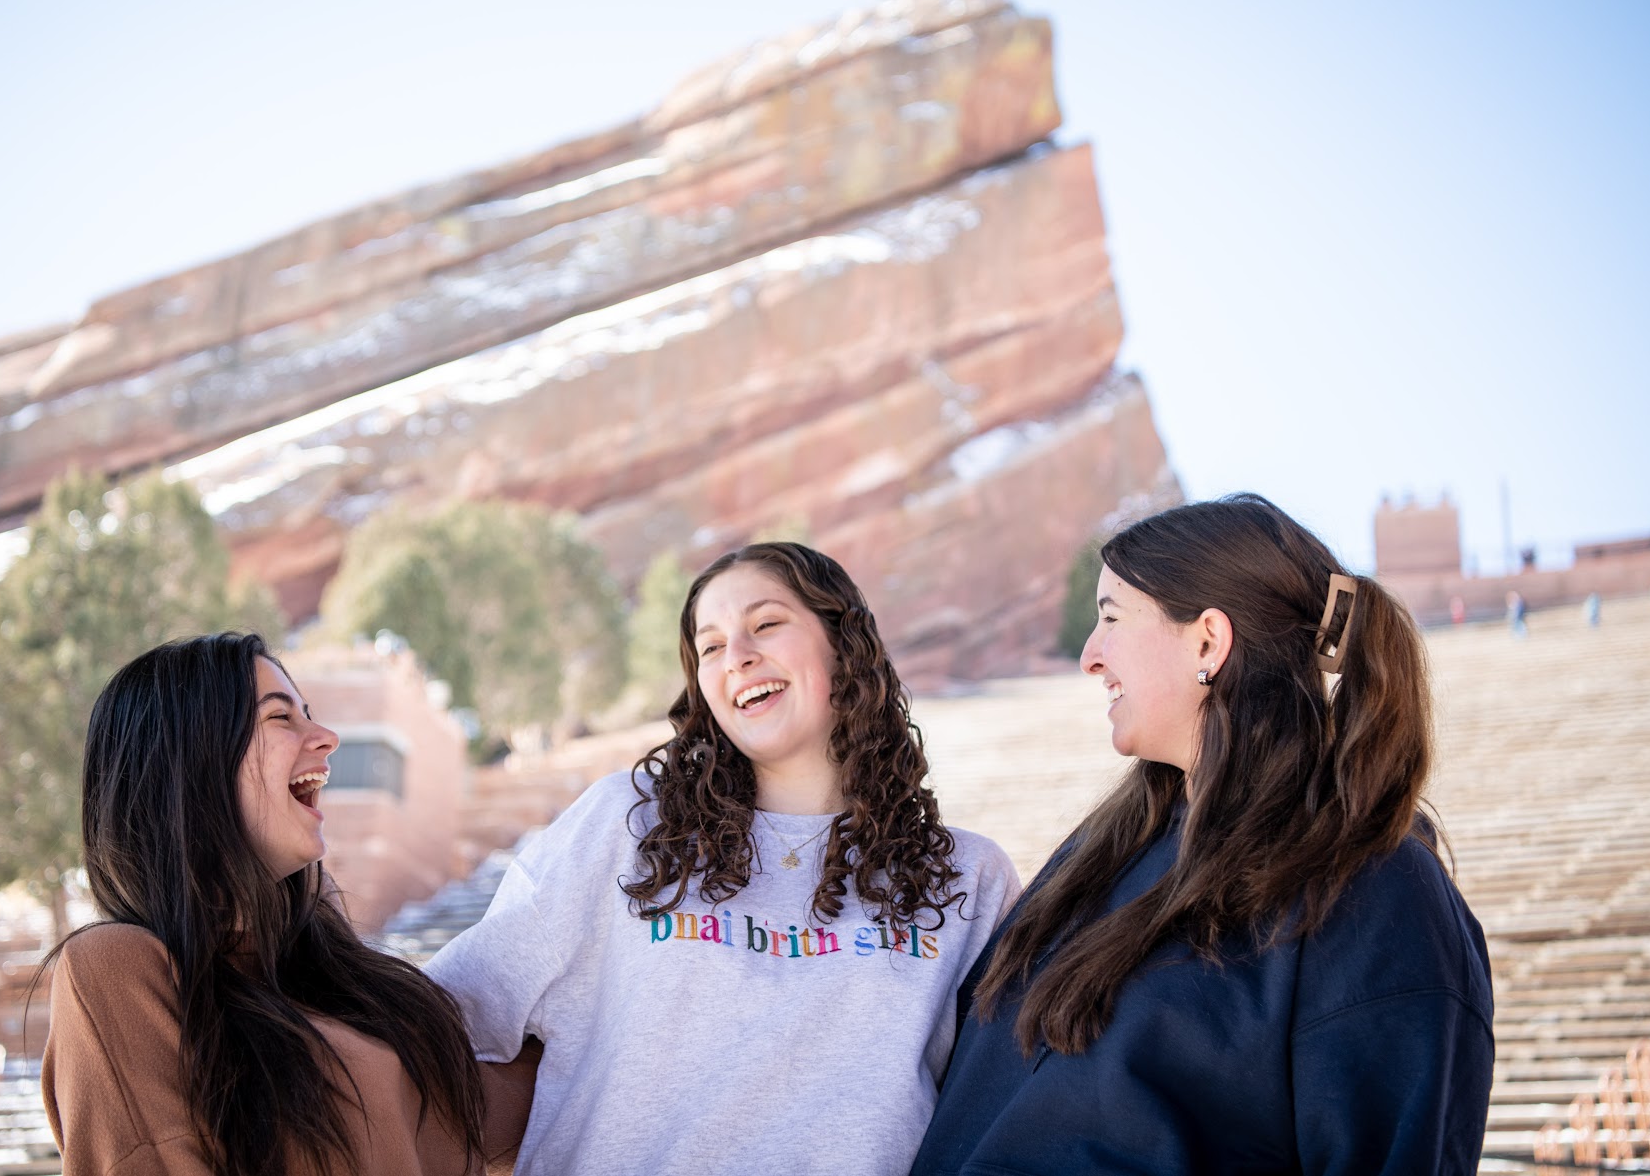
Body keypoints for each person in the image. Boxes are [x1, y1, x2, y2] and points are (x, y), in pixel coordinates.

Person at [913, 495, 1494, 1175]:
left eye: (1111, 619)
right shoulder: (1098, 858)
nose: (1090, 656)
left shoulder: (1372, 890)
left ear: (1208, 642)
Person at [428, 542, 1020, 1176]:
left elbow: (1009, 1115)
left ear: (843, 645)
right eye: (710, 647)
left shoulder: (968, 878)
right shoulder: (625, 826)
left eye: (765, 624)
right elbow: (446, 1016)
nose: (737, 656)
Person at [42, 632, 535, 1176]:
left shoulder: (344, 986)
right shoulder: (114, 970)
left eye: (310, 715)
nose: (327, 738)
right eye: (280, 717)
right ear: (190, 761)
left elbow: (522, 1111)